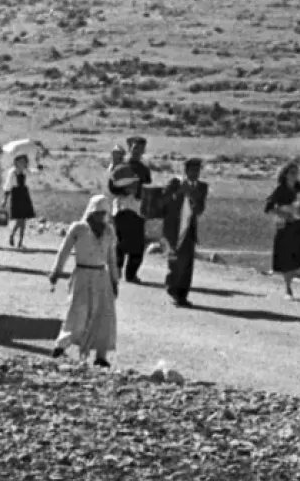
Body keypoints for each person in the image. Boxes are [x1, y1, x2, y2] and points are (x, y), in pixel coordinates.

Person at [48, 194, 120, 367]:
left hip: (101, 278)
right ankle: (61, 345)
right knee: (77, 312)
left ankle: (101, 356)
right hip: (82, 275)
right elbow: (64, 250)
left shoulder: (109, 231)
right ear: (91, 212)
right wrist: (56, 271)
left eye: (104, 213)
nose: (101, 216)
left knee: (104, 316)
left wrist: (114, 280)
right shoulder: (79, 228)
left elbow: (111, 258)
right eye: (98, 212)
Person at [264, 162, 300, 299]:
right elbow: (269, 207)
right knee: (286, 258)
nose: (295, 176)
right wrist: (285, 214)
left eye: (296, 173)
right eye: (292, 173)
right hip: (285, 227)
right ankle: (288, 289)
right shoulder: (280, 189)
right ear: (285, 174)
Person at [163, 157, 208, 308]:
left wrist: (193, 196)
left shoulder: (202, 187)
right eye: (192, 170)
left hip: (189, 229)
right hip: (174, 228)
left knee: (187, 264)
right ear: (186, 170)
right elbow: (164, 199)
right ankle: (172, 288)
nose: (195, 173)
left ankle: (182, 295)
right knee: (175, 260)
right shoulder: (175, 183)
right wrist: (179, 191)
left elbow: (200, 209)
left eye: (197, 170)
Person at [109, 137, 154, 283]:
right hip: (122, 208)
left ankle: (131, 274)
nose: (137, 151)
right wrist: (125, 190)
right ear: (130, 149)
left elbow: (147, 189)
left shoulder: (144, 169)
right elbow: (112, 186)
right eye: (135, 148)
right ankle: (116, 269)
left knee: (138, 243)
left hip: (138, 210)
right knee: (121, 241)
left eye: (140, 149)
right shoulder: (120, 166)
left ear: (143, 151)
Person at [5, 153, 35, 249]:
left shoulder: (26, 171)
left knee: (24, 220)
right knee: (19, 220)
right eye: (20, 161)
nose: (22, 163)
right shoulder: (12, 172)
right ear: (16, 162)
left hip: (24, 194)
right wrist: (4, 199)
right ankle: (12, 235)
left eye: (24, 161)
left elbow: (35, 172)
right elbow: (7, 185)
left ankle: (20, 242)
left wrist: (39, 164)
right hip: (16, 195)